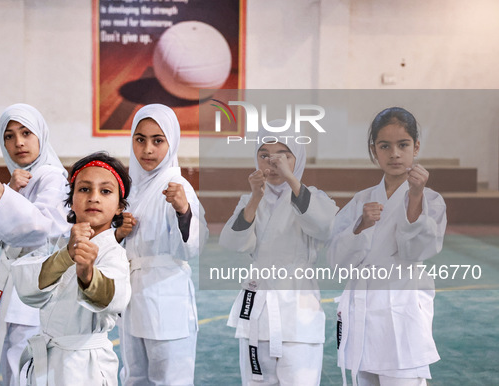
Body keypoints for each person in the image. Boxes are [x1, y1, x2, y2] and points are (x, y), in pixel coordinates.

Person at [326, 107, 447, 386]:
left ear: (415, 147)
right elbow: (336, 261)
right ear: (374, 151)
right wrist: (361, 226)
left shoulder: (432, 200)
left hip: (402, 311)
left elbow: (416, 252)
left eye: (402, 145)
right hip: (362, 311)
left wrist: (415, 196)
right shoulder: (361, 201)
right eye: (385, 146)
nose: (394, 153)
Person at [219, 122, 339, 386]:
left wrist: (292, 180)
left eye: (283, 155)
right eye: (264, 155)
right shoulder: (250, 199)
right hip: (258, 308)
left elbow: (325, 227)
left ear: (298, 158)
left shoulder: (315, 198)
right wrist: (254, 198)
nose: (273, 163)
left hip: (299, 311)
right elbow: (231, 242)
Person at [11, 152, 132, 385]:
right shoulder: (60, 246)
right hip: (48, 360)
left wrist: (87, 274)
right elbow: (28, 287)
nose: (93, 198)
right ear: (71, 199)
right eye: (84, 189)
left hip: (84, 366)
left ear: (119, 206)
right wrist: (67, 255)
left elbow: (115, 298)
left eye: (105, 191)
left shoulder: (113, 253)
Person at [0, 103, 70, 385]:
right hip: (15, 280)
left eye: (26, 132)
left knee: (30, 361)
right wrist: (9, 191)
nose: (19, 142)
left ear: (40, 135)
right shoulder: (17, 180)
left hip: (40, 279)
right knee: (14, 358)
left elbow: (41, 229)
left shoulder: (52, 177)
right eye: (9, 136)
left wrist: (4, 195)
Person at [115, 104, 208, 386]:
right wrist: (119, 233)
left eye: (158, 140)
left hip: (167, 295)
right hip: (132, 297)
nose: (148, 149)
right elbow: (114, 245)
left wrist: (183, 211)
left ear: (172, 142)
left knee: (170, 379)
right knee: (134, 377)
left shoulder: (177, 186)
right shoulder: (128, 188)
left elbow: (192, 248)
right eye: (140, 139)